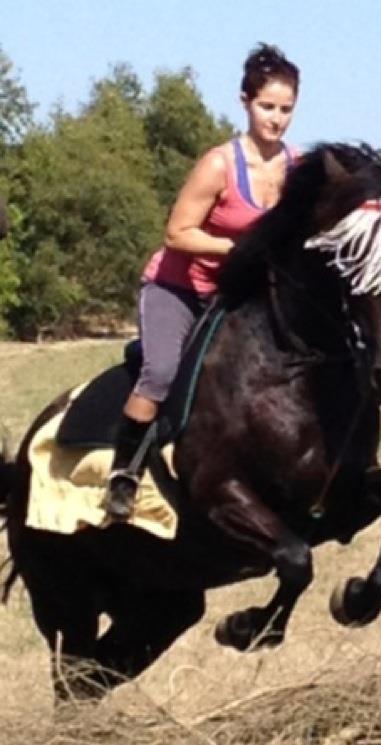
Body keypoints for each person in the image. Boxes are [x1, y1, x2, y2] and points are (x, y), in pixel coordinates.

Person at [103, 43, 300, 521]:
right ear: (245, 102)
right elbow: (177, 233)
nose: (276, 119)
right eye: (267, 107)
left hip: (236, 295)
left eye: (286, 109)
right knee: (161, 373)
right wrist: (240, 249)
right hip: (178, 289)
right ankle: (123, 474)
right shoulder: (218, 165)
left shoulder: (297, 167)